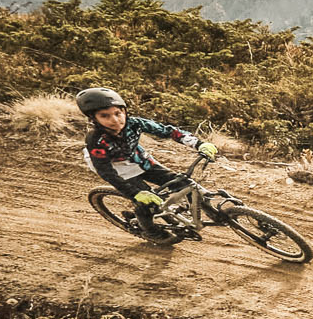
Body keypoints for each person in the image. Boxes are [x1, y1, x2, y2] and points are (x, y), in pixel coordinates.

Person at [77, 85, 216, 238]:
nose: (115, 120)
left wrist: (198, 143)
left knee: (183, 183)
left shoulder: (135, 123)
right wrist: (135, 193)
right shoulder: (96, 139)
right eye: (105, 116)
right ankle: (150, 231)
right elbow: (106, 171)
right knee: (149, 203)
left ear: (124, 111)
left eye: (118, 113)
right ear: (94, 119)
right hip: (115, 168)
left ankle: (206, 212)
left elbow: (167, 131)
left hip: (136, 157)